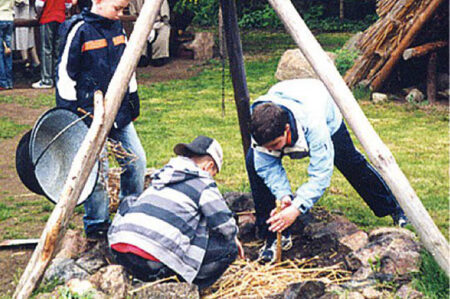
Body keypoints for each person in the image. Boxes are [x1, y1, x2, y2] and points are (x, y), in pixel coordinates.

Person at [246, 78, 408, 263]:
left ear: (287, 129)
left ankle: (394, 208)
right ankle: (273, 236)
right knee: (253, 163)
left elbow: (321, 174)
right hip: (288, 95)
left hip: (321, 104)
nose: (270, 151)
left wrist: (297, 207)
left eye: (275, 145)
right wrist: (284, 196)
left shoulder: (315, 124)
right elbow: (267, 166)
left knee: (351, 163)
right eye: (266, 147)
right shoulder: (259, 127)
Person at [55, 0, 146, 239]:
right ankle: (97, 225)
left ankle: (129, 215)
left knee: (136, 162)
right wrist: (69, 114)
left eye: (124, 9)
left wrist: (132, 100)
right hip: (87, 114)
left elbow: (128, 66)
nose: (120, 14)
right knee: (96, 172)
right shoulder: (79, 29)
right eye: (117, 8)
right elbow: (65, 75)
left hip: (118, 110)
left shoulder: (117, 28)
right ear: (98, 1)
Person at [108, 136, 244, 290]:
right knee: (229, 249)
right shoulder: (203, 183)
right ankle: (187, 289)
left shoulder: (162, 175)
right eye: (214, 172)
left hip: (120, 251)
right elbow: (225, 226)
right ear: (208, 166)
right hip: (153, 262)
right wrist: (234, 237)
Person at [32, 0, 72, 88]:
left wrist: (38, 14)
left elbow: (39, 4)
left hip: (47, 18)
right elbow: (68, 4)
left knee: (46, 49)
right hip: (61, 19)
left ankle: (46, 79)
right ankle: (57, 78)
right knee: (58, 51)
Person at [12, 0, 41, 75]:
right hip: (19, 8)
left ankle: (29, 62)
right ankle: (28, 61)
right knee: (23, 32)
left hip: (27, 7)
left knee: (26, 32)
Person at [0, 0, 14, 90]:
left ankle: (2, 81)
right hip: (9, 18)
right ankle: (9, 81)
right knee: (8, 51)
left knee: (0, 53)